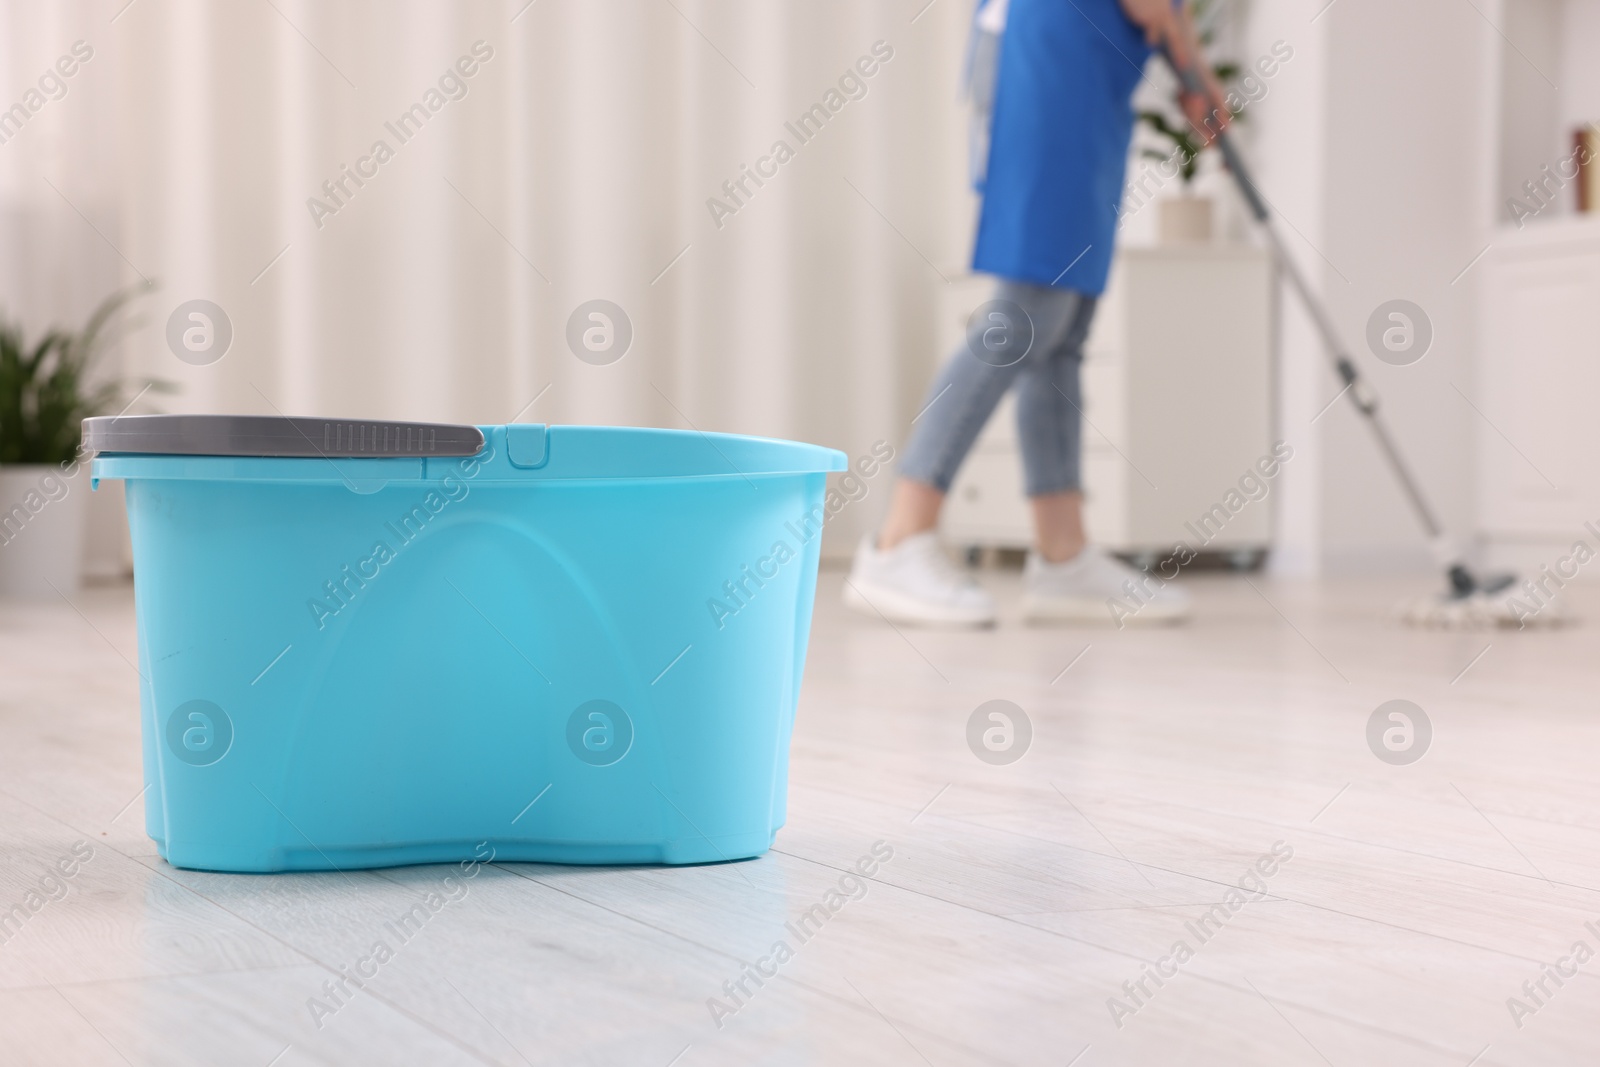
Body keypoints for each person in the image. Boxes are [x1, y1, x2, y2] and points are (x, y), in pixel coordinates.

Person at [846, 0, 1228, 627]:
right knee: (1027, 312)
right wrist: (1185, 53)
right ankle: (897, 541)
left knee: (1064, 325)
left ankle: (1064, 554)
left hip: (1096, 65)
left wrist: (1197, 73)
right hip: (1052, 51)